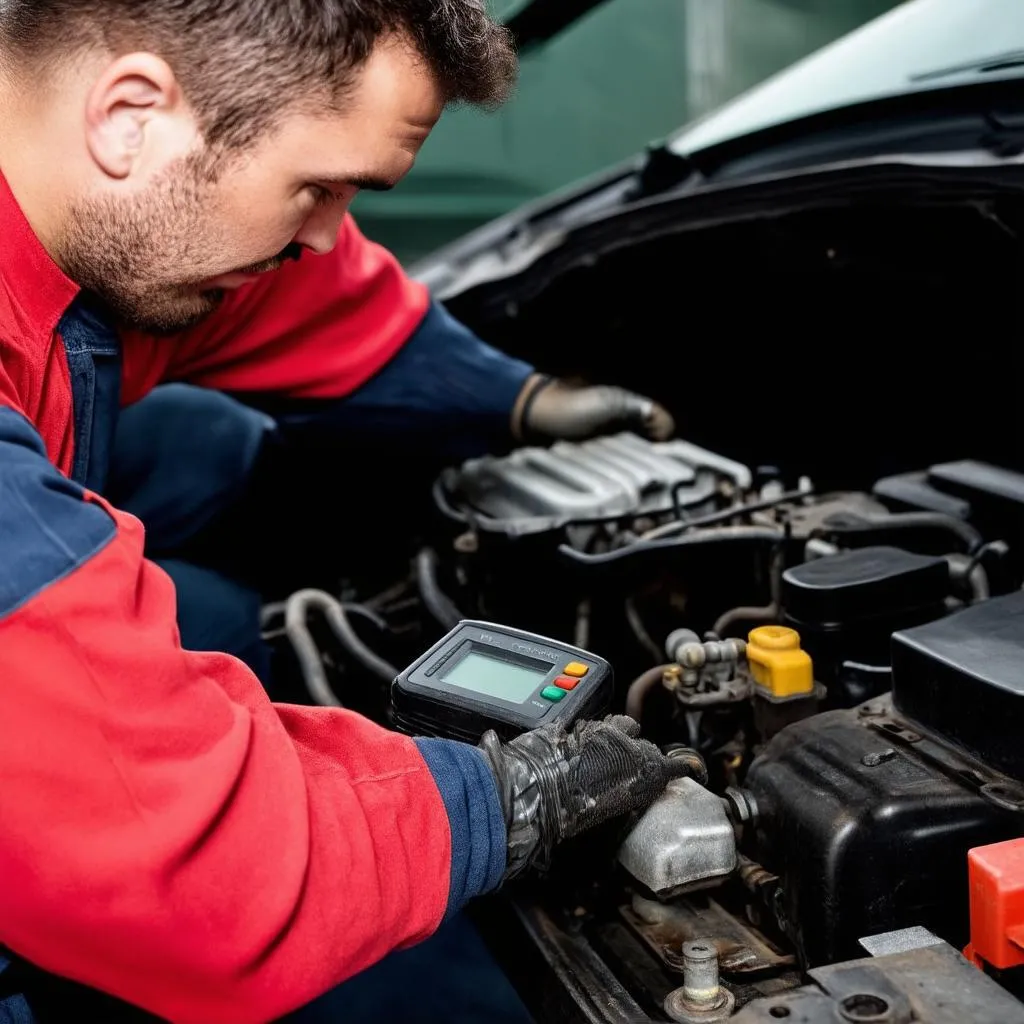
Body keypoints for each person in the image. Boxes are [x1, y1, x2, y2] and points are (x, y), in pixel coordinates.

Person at [0, 2, 685, 1022]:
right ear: (130, 114)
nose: (327, 235)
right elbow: (200, 865)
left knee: (217, 577)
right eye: (316, 187)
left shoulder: (82, 219)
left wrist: (514, 398)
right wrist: (506, 801)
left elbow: (314, 300)